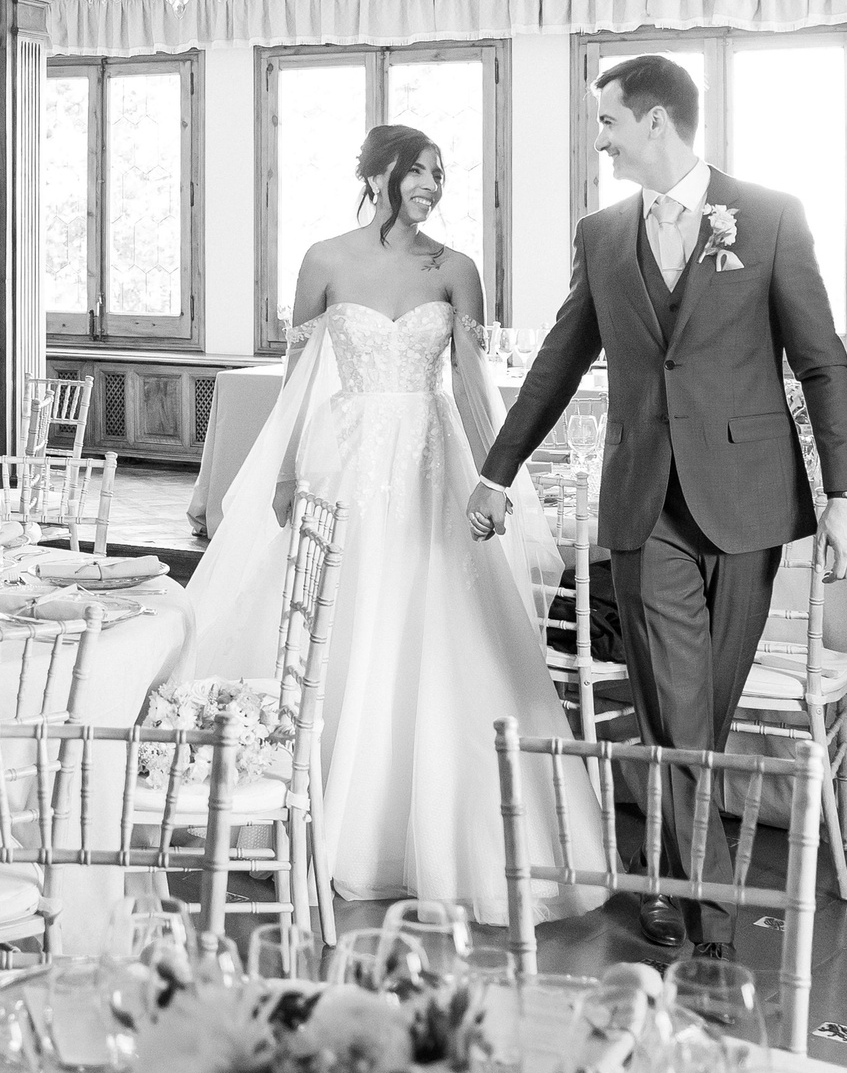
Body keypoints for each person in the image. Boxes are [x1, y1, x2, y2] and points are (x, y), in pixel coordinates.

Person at [468, 54, 847, 962]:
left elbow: (822, 361)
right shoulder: (602, 233)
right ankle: (711, 922)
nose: (600, 140)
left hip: (749, 503)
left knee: (696, 713)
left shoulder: (767, 215)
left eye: (607, 121)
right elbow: (558, 363)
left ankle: (659, 871)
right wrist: (497, 472)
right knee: (682, 710)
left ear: (654, 122)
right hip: (647, 507)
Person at [183, 124, 607, 928]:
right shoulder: (324, 260)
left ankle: (437, 840)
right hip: (344, 457)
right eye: (420, 172)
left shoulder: (456, 270)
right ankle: (310, 814)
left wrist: (495, 475)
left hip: (431, 460)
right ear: (379, 173)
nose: (433, 187)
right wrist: (280, 470)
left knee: (435, 623)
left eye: (441, 176)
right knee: (336, 625)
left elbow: (476, 385)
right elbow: (297, 379)